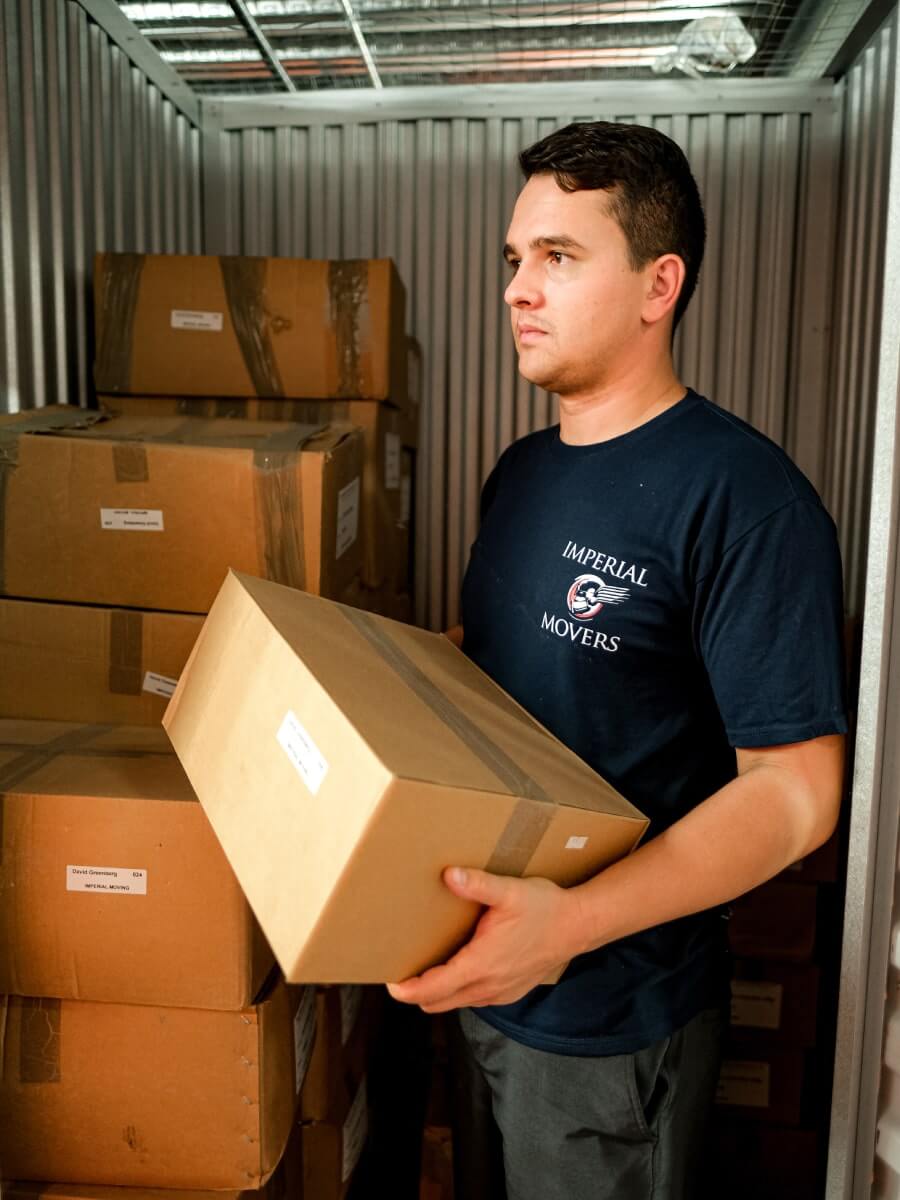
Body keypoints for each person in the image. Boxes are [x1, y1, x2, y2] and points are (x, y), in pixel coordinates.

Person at [388, 121, 847, 1200]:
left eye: (558, 256)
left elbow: (795, 795)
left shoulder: (745, 501)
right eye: (514, 258)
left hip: (610, 1020)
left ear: (659, 284)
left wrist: (570, 927)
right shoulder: (521, 475)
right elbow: (494, 677)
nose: (515, 289)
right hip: (482, 977)